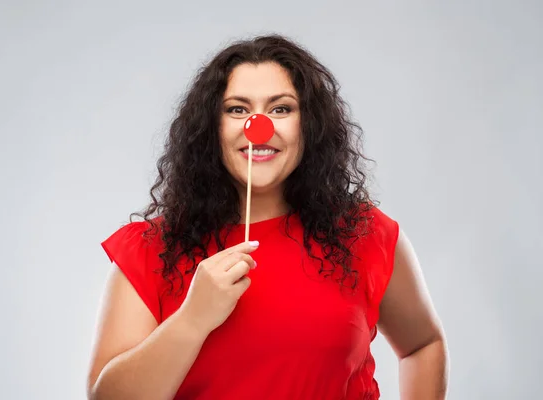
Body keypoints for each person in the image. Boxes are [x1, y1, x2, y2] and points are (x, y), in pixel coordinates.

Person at [86, 34, 449, 400]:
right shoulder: (150, 250)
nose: (258, 126)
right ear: (211, 128)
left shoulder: (365, 235)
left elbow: (423, 345)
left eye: (281, 109)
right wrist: (192, 319)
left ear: (308, 125)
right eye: (237, 109)